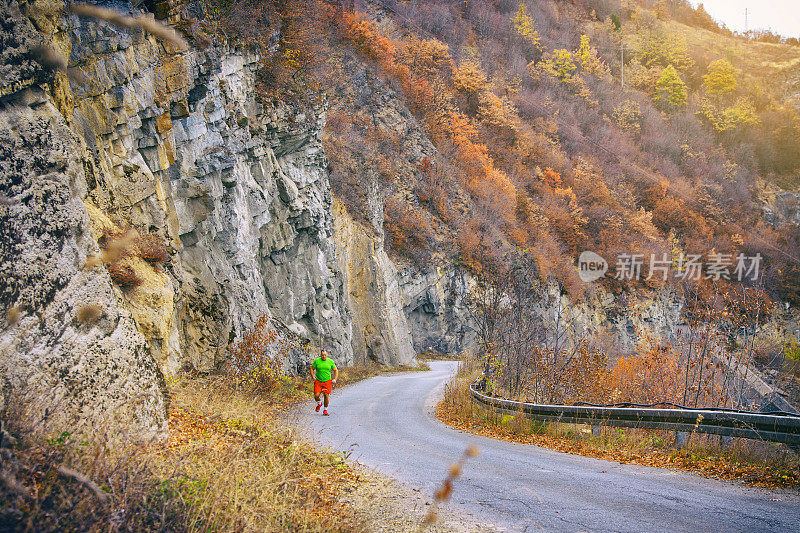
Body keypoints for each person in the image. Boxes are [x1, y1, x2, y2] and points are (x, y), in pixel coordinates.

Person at [311, 349, 338, 416]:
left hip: (327, 381)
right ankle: (319, 403)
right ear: (320, 355)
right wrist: (313, 376)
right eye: (322, 355)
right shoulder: (317, 361)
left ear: (327, 355)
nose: (323, 356)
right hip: (318, 381)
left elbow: (335, 370)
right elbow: (312, 368)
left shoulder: (330, 361)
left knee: (326, 395)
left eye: (325, 355)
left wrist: (335, 379)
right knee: (316, 395)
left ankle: (325, 410)